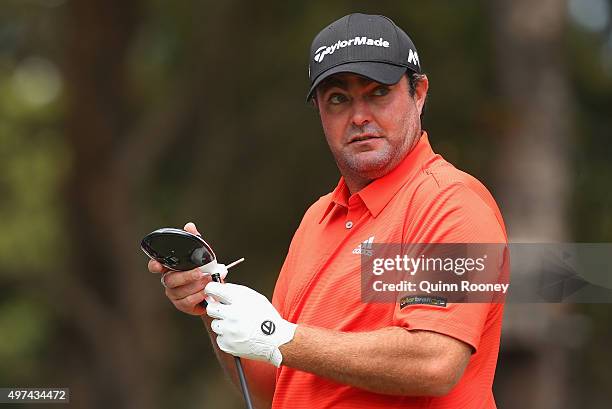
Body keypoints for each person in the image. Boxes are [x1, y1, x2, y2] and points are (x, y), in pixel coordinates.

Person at [148, 13, 508, 409]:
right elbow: (272, 383)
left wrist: (278, 335)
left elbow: (435, 360)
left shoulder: (450, 203)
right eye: (338, 99)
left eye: (378, 93)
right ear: (319, 109)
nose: (359, 117)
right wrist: (212, 305)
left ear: (419, 93)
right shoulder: (318, 218)